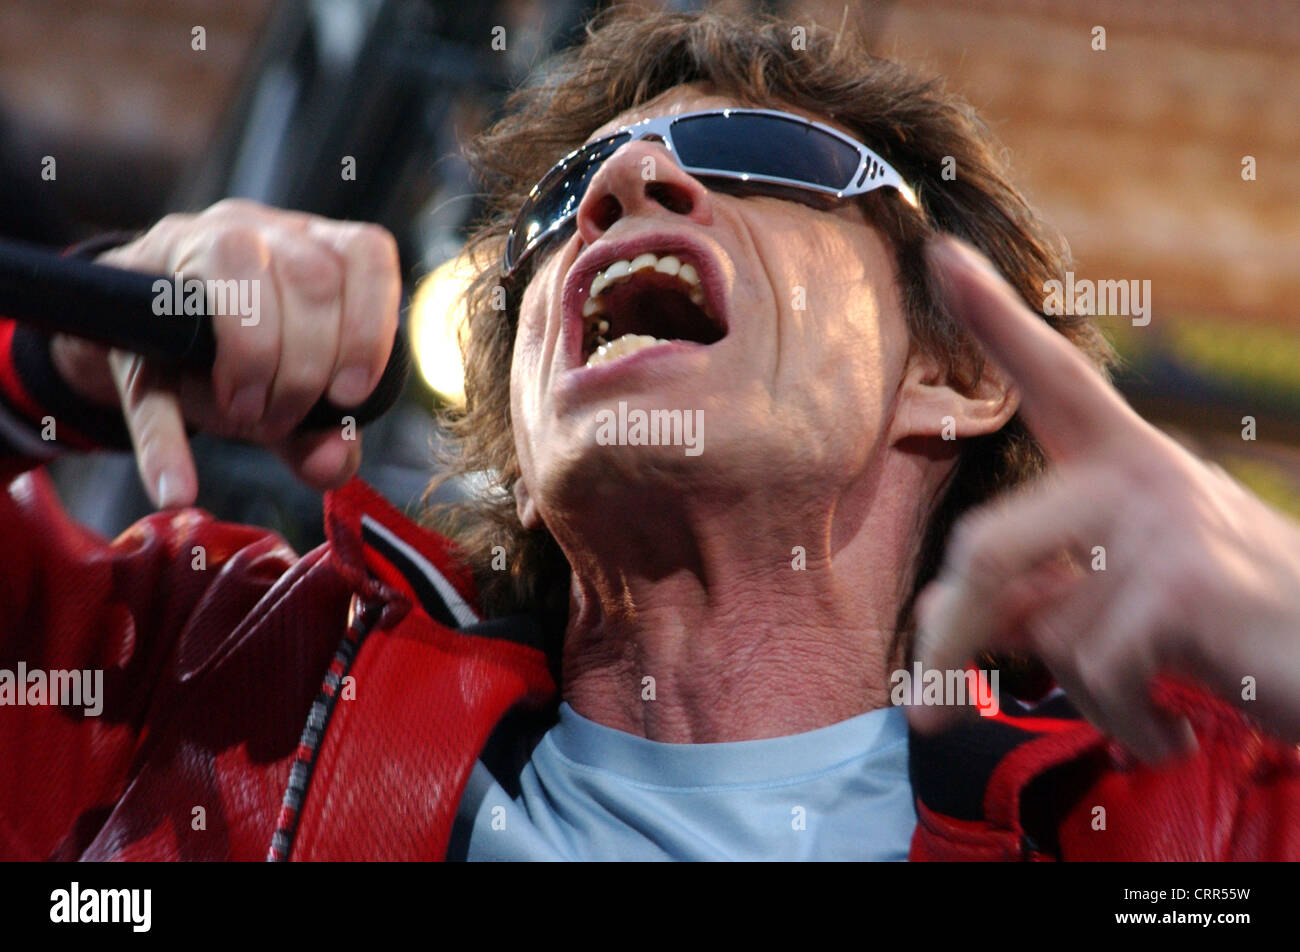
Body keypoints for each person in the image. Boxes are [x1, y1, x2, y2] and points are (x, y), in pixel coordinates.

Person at [1, 9, 1297, 861]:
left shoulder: (1196, 814)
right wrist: (40, 363)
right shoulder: (218, 682)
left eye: (749, 152)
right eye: (564, 200)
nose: (620, 189)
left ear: (953, 372)